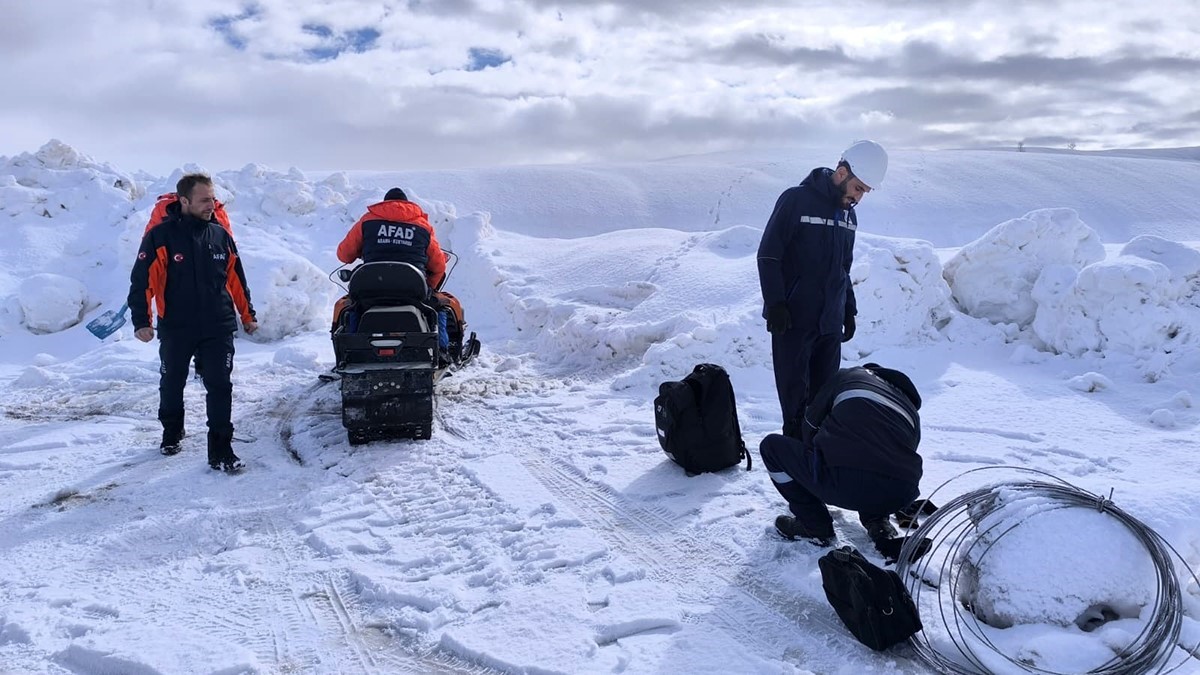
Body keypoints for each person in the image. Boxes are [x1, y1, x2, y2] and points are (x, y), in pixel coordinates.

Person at [756, 140, 888, 439]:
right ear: (842, 173)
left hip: (829, 322)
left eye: (864, 193)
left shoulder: (848, 215)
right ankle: (792, 457)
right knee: (794, 398)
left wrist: (848, 310)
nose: (859, 198)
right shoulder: (795, 200)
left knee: (824, 399)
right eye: (858, 189)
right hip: (794, 319)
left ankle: (817, 459)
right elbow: (768, 254)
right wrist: (776, 303)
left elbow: (844, 268)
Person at [127, 173, 258, 473]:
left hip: (218, 324)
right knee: (172, 381)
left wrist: (247, 315)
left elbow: (236, 278)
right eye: (203, 200)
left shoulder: (220, 235)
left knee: (220, 385)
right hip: (177, 325)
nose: (210, 205)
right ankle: (172, 431)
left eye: (212, 199)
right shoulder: (161, 237)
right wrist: (141, 321)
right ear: (184, 201)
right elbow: (142, 280)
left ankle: (221, 450)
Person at [759, 364, 921, 550]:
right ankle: (878, 522)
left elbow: (810, 424)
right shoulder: (911, 411)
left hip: (841, 482)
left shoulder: (849, 376)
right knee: (878, 459)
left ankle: (814, 525)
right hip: (900, 494)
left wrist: (811, 467)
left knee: (771, 447)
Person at [332, 188, 449, 355]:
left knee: (354, 308)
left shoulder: (367, 221)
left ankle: (350, 351)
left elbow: (343, 255)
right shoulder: (423, 227)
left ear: (385, 203)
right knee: (438, 307)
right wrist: (428, 288)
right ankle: (442, 351)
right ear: (407, 204)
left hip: (371, 288)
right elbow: (439, 266)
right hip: (412, 290)